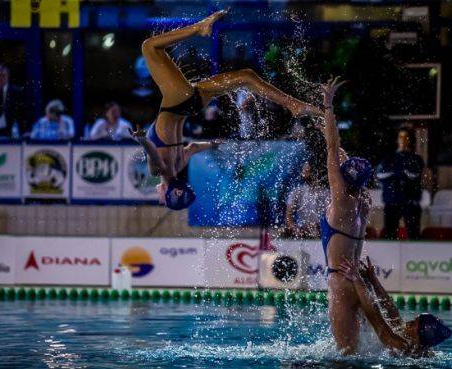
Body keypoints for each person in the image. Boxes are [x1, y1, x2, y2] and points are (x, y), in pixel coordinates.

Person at [129, 9, 321, 210]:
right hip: (179, 101)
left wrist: (212, 144)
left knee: (246, 77)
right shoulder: (159, 170)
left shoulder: (177, 166)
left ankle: (294, 105)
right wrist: (142, 139)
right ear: (169, 193)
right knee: (149, 47)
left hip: (193, 104)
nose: (158, 198)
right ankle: (199, 27)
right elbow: (152, 153)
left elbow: (193, 148)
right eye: (163, 200)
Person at [317, 77, 373, 354]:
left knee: (345, 355)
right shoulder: (364, 203)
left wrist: (328, 106)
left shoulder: (339, 200)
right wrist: (339, 150)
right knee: (361, 350)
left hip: (339, 282)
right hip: (358, 281)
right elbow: (341, 157)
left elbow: (331, 148)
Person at [338, 256, 452, 357]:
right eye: (414, 319)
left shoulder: (401, 348)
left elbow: (376, 318)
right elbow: (392, 312)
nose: (408, 322)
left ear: (419, 337)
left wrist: (356, 279)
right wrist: (373, 280)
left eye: (413, 323)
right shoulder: (416, 344)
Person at [376, 127, 424, 240]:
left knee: (414, 234)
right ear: (397, 139)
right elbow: (380, 174)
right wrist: (401, 172)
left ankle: (415, 256)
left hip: (411, 201)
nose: (403, 140)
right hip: (392, 201)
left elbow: (414, 174)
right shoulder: (389, 157)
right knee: (390, 234)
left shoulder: (416, 158)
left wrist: (395, 172)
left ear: (410, 140)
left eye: (406, 137)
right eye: (401, 137)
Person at [285, 162, 330, 239]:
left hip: (322, 232)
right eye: (303, 171)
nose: (303, 174)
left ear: (315, 173)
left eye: (306, 171)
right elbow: (288, 216)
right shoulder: (297, 192)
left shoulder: (326, 193)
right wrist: (295, 229)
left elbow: (330, 216)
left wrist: (320, 227)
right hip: (302, 232)